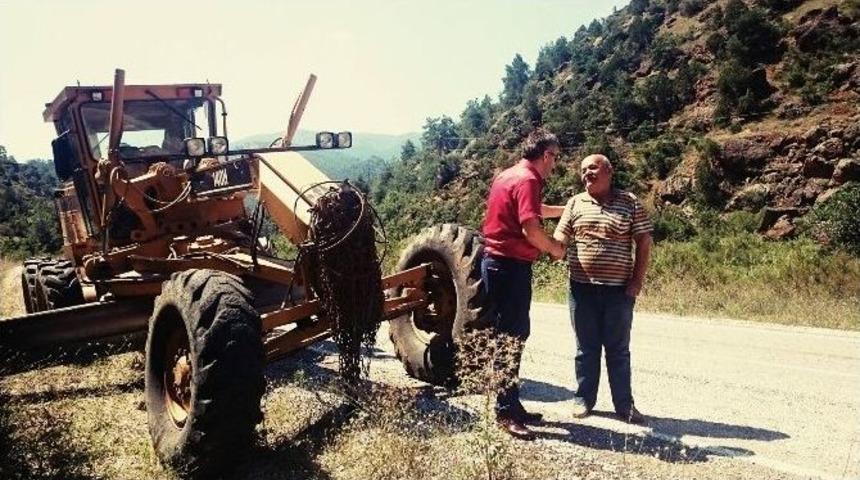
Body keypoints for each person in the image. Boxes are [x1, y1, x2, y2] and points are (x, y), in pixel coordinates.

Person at [553, 154, 653, 424]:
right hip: (581, 290)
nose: (587, 174)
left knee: (618, 350)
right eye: (583, 170)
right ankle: (584, 399)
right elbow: (561, 238)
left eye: (593, 168)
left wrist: (636, 282)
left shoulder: (630, 202)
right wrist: (545, 242)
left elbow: (644, 243)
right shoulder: (575, 203)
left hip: (619, 291)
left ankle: (625, 406)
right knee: (585, 349)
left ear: (609, 171)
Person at [481, 129, 566, 441]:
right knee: (510, 338)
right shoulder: (530, 179)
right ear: (545, 155)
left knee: (512, 334)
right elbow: (531, 229)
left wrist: (565, 210)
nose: (555, 164)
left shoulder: (509, 175)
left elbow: (533, 211)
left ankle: (511, 404)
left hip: (498, 264)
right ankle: (505, 412)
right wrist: (556, 248)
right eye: (554, 157)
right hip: (509, 267)